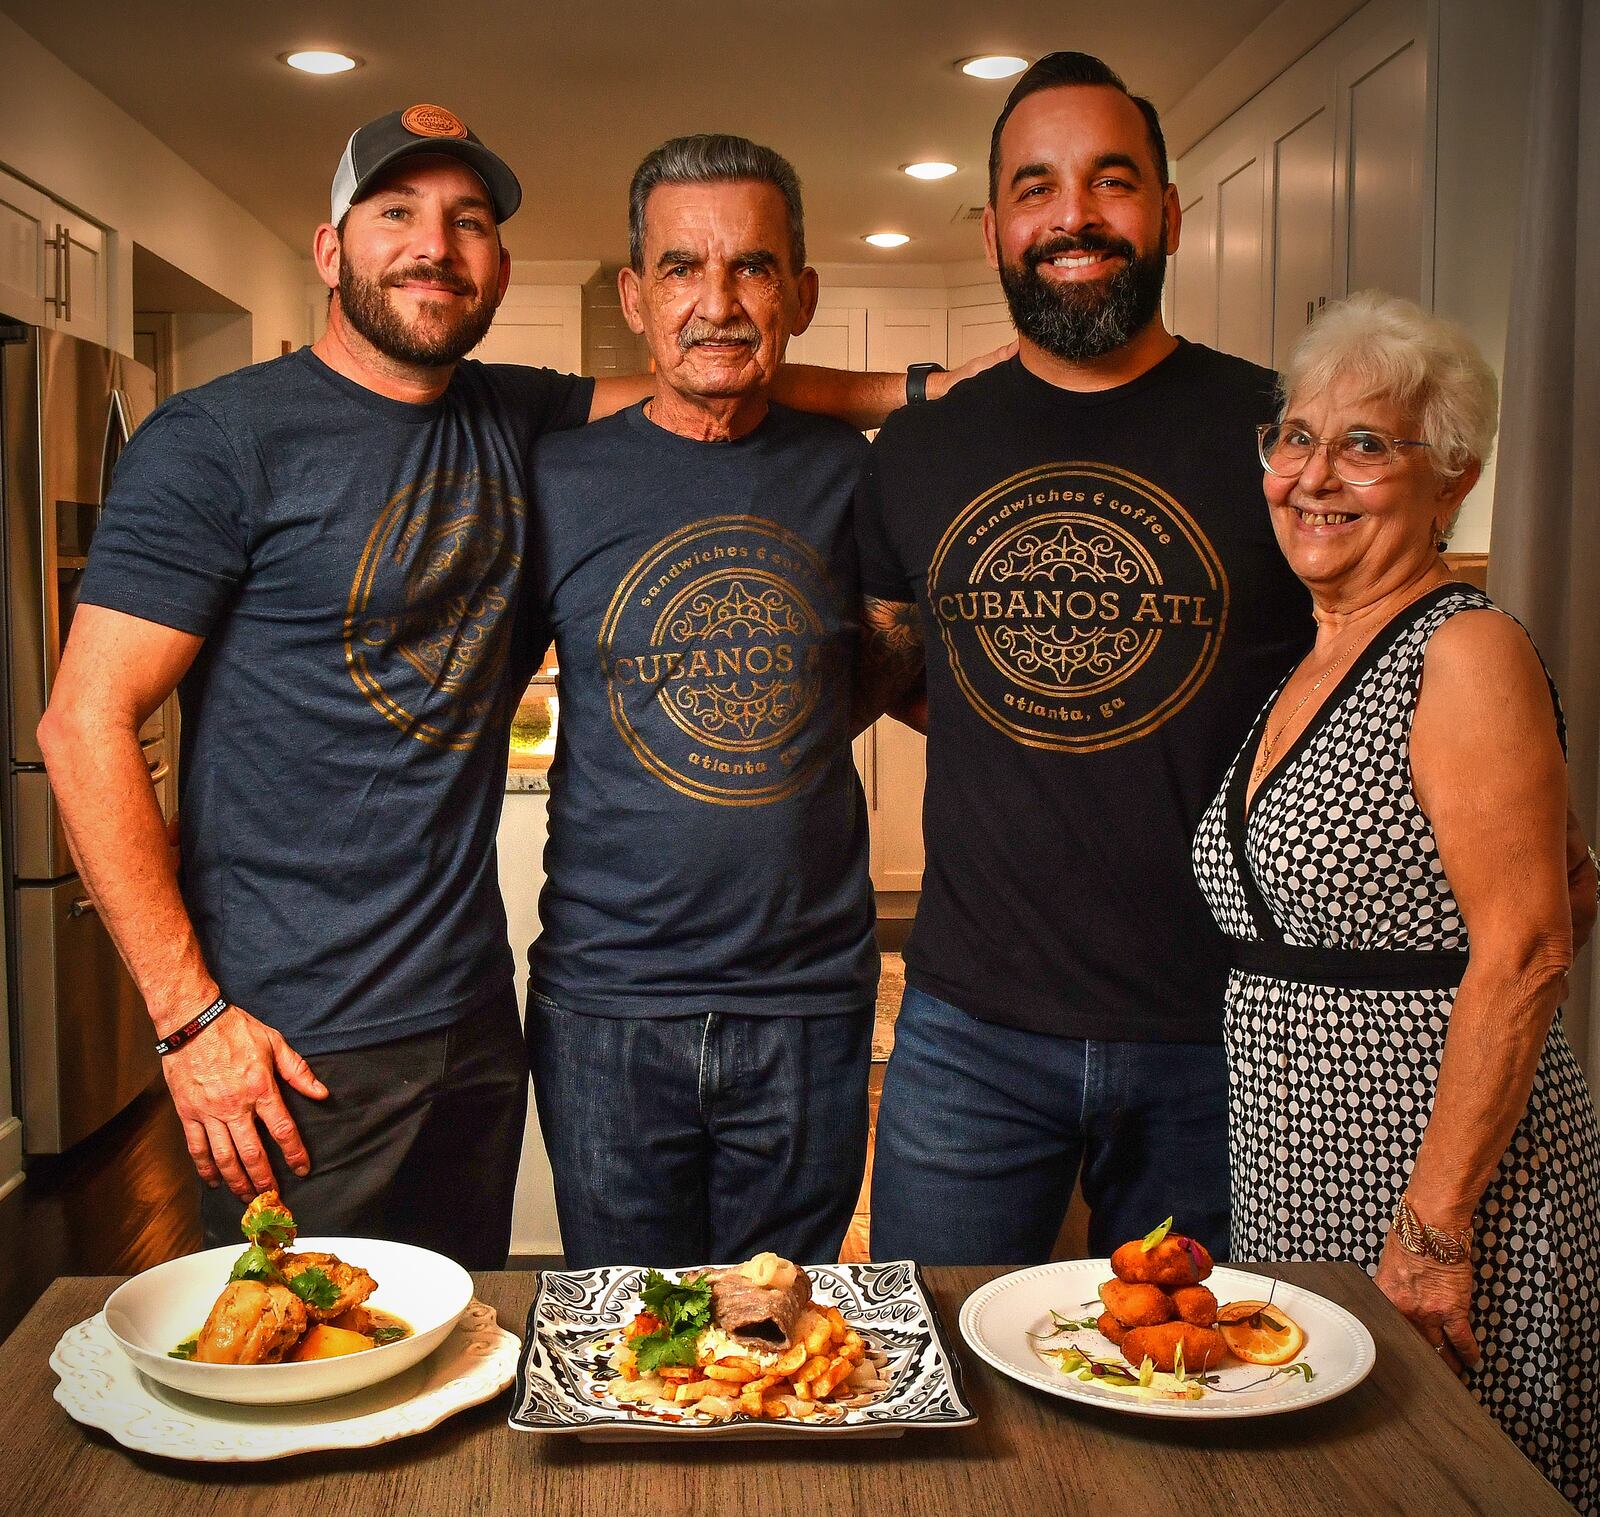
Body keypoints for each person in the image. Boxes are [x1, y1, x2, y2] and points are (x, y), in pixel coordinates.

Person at [37, 105, 995, 1267]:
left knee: (454, 1354)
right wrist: (189, 1018)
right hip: (288, 1033)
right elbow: (82, 717)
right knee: (294, 1367)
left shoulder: (515, 415)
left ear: (495, 260)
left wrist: (926, 388)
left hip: (470, 1018)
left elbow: (719, 374)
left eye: (469, 219)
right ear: (330, 250)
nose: (434, 244)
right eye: (395, 212)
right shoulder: (218, 440)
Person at [851, 53, 1314, 1264]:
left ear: (1168, 209)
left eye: (1111, 182)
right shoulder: (918, 448)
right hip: (967, 1027)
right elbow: (895, 662)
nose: (1073, 216)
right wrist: (1016, 720)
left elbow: (1377, 666)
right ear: (997, 221)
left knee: (1199, 1394)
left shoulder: (1279, 437)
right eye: (1036, 187)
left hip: (1225, 1024)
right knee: (936, 1370)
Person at [1191, 290, 1600, 1513]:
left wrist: (1432, 1234)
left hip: (1438, 1190)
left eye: (1365, 444)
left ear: (1452, 477)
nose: (1314, 473)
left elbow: (1525, 948)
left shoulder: (1460, 647)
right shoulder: (1313, 660)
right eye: (1295, 437)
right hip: (1300, 1176)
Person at [523, 135, 876, 1268]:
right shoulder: (556, 479)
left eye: (754, 269)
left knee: (788, 1349)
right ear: (635, 296)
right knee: (628, 1344)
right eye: (682, 268)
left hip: (810, 1002)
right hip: (606, 1004)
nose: (717, 303)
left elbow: (894, 671)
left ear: (802, 294)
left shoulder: (856, 473)